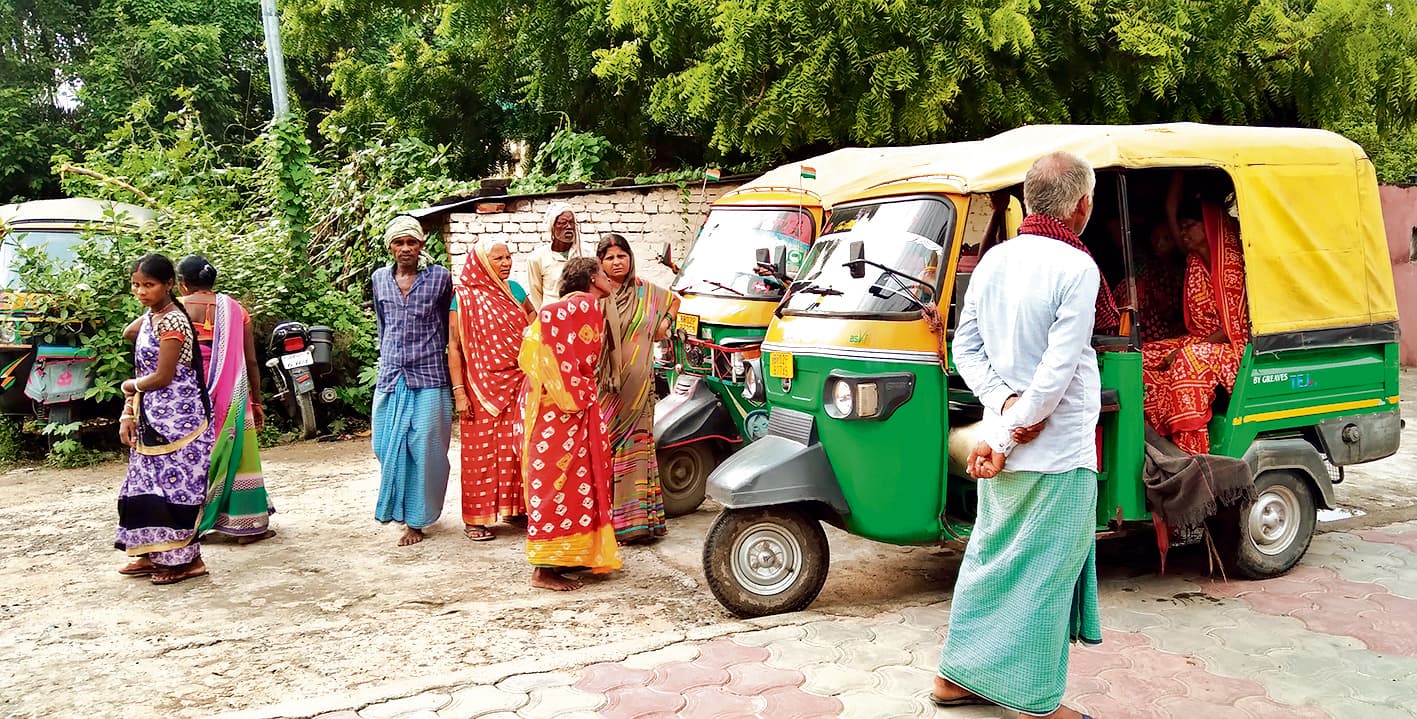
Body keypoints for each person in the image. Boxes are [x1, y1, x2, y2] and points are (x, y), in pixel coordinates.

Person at [931, 152, 1102, 719]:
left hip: (1004, 438)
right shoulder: (1079, 269)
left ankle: (954, 677)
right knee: (1047, 576)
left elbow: (965, 350)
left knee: (989, 558)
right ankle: (1038, 702)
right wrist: (1009, 433)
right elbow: (1056, 376)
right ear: (1082, 206)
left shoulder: (994, 261)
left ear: (1030, 201)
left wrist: (1002, 412)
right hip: (1055, 452)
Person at [516, 257, 620, 590]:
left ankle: (573, 556)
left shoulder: (583, 306)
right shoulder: (580, 306)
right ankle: (544, 570)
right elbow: (543, 331)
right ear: (592, 278)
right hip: (560, 410)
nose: (609, 276)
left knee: (578, 481)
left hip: (567, 405)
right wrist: (575, 391)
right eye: (603, 273)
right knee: (555, 482)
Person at [114, 254, 216, 585]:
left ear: (170, 284)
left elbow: (161, 376)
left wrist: (130, 387)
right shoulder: (156, 317)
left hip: (179, 420)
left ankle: (186, 561)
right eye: (136, 285)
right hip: (151, 415)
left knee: (175, 490)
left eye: (149, 285)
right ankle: (150, 552)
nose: (141, 292)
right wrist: (129, 408)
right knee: (143, 485)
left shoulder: (172, 323)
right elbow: (129, 332)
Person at [1141, 176, 1249, 455]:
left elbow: (1230, 330)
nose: (1184, 232)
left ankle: (1192, 450)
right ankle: (1159, 430)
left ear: (1209, 227)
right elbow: (1171, 210)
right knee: (1143, 355)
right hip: (1203, 340)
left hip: (1230, 347)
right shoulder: (1195, 261)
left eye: (1190, 226)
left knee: (1187, 361)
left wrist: (1192, 348)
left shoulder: (1232, 266)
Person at [175, 255, 276, 544]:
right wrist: (256, 402)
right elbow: (251, 360)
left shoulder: (176, 309)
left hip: (190, 394)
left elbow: (133, 332)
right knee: (239, 454)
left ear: (182, 285)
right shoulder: (235, 310)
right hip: (232, 390)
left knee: (193, 454)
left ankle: (192, 524)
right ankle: (246, 525)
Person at [371, 215, 454, 547]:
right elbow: (382, 323)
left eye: (412, 242)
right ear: (390, 247)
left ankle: (417, 520)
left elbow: (451, 325)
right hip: (392, 375)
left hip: (430, 376)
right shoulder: (379, 279)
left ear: (422, 245)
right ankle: (401, 508)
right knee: (385, 444)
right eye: (399, 243)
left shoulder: (439, 278)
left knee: (427, 449)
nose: (406, 249)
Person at [595, 233, 679, 543]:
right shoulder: (596, 294)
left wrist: (664, 324)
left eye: (622, 256)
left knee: (638, 450)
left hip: (640, 387)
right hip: (605, 387)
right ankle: (606, 523)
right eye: (610, 258)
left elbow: (674, 300)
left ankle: (638, 523)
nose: (617, 262)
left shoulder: (646, 291)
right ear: (600, 263)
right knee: (605, 449)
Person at [448, 239, 532, 541]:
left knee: (516, 449)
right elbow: (455, 347)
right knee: (479, 454)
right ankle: (475, 519)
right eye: (498, 258)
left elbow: (535, 323)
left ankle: (514, 509)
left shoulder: (517, 291)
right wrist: (459, 391)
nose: (506, 263)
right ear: (482, 262)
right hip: (479, 388)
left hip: (518, 381)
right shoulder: (464, 298)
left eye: (509, 257)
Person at [525, 202, 582, 309]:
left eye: (571, 222)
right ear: (552, 226)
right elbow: (536, 294)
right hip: (552, 316)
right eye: (562, 223)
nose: (568, 227)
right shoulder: (537, 258)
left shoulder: (585, 254)